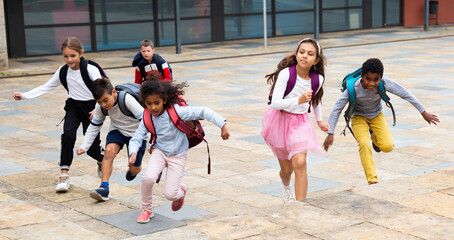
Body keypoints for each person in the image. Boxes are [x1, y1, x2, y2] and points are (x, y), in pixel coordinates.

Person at [323, 58, 440, 185]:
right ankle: (372, 179)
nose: (372, 83)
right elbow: (337, 108)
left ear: (381, 78)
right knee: (364, 144)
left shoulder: (384, 83)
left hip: (376, 116)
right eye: (368, 79)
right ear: (362, 76)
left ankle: (375, 139)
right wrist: (331, 132)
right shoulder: (353, 88)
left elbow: (405, 93)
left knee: (388, 147)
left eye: (376, 79)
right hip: (358, 118)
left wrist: (423, 112)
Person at [12, 37, 105, 192]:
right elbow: (46, 87)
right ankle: (64, 174)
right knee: (68, 135)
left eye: (73, 56)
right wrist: (24, 95)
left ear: (80, 53)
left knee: (92, 148)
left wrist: (98, 108)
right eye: (66, 56)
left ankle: (101, 159)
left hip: (92, 107)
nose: (69, 59)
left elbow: (103, 89)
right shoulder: (63, 71)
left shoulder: (90, 69)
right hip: (74, 107)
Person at [129, 80, 230, 223]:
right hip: (160, 151)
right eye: (149, 104)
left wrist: (223, 124)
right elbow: (136, 138)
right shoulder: (146, 117)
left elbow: (203, 111)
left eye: (156, 103)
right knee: (147, 178)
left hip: (178, 155)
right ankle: (146, 209)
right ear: (144, 103)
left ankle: (180, 191)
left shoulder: (177, 111)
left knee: (170, 194)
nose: (153, 107)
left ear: (164, 100)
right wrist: (132, 152)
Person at [261, 38, 329, 202]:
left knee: (300, 162)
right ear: (297, 54)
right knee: (287, 170)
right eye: (302, 52)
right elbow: (276, 103)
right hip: (280, 121)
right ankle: (286, 188)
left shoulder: (317, 79)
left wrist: (319, 120)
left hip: (301, 123)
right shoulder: (286, 74)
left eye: (310, 54)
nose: (304, 56)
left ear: (316, 60)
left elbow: (315, 100)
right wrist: (298, 100)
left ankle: (300, 205)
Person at [76, 78, 147, 201]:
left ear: (113, 92)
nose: (104, 105)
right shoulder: (100, 107)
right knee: (108, 152)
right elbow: (94, 126)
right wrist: (84, 146)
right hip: (118, 130)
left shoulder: (126, 99)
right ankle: (104, 189)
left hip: (137, 133)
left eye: (105, 100)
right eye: (99, 102)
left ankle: (135, 170)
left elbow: (147, 121)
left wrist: (153, 142)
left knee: (134, 167)